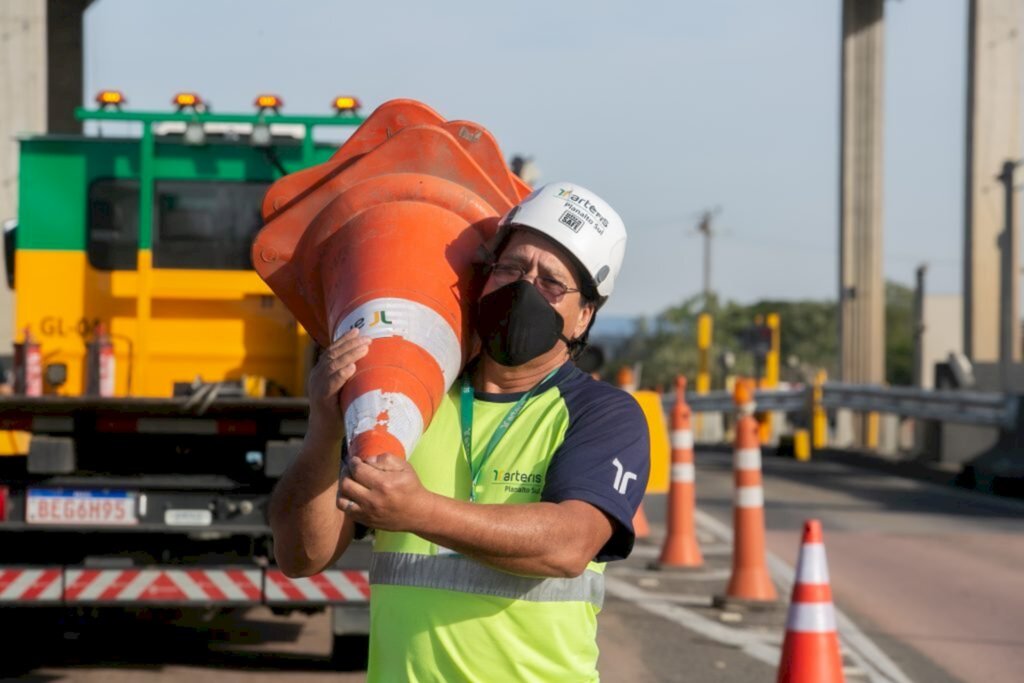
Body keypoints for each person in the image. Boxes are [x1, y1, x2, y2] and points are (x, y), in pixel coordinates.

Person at [269, 181, 650, 682]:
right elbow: (302, 556)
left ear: (583, 317)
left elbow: (568, 545)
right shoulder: (410, 401)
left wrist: (417, 511)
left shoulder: (603, 414)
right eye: (511, 269)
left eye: (551, 283)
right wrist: (323, 430)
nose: (523, 288)